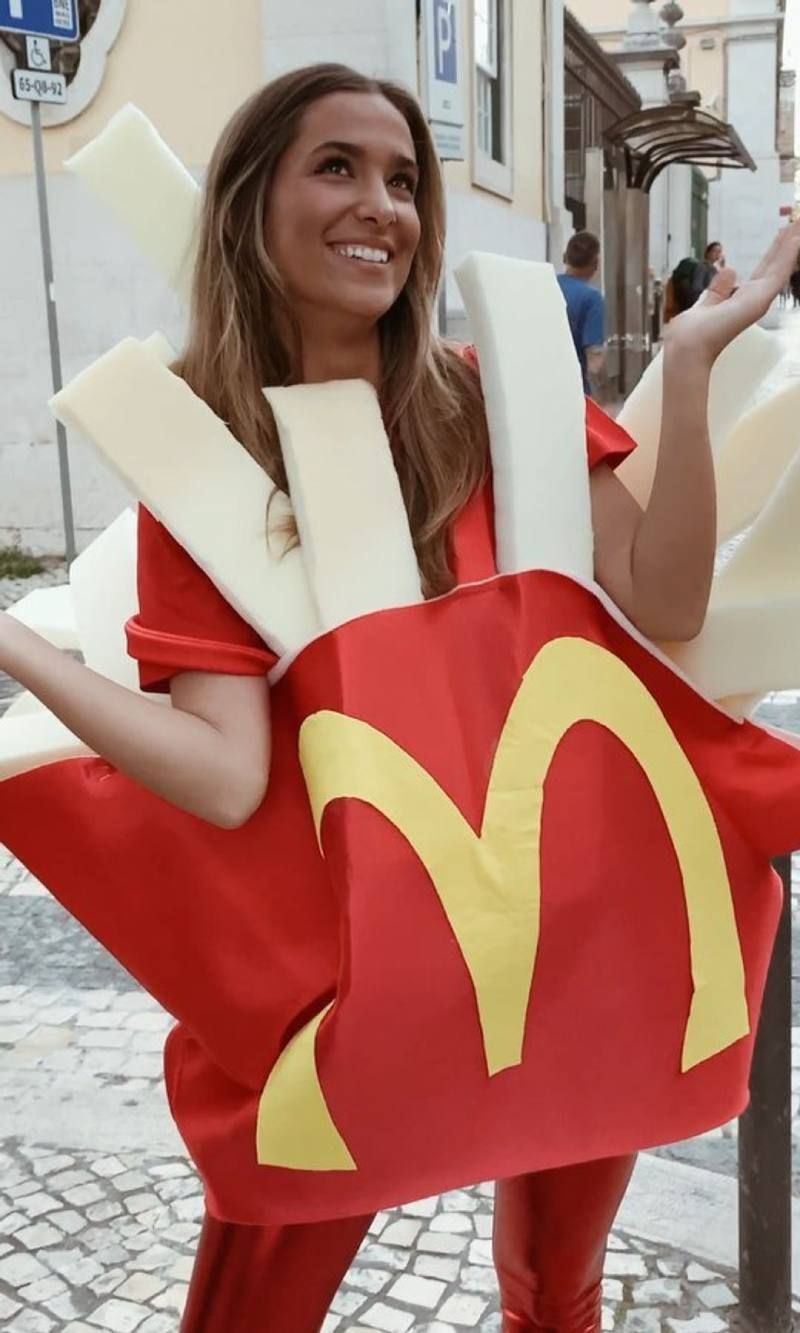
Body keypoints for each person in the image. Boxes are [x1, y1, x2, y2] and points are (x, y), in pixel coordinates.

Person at [0, 63, 799, 1333]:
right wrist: (16, 649)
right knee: (258, 1289)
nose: (382, 204)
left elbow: (664, 600)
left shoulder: (495, 399)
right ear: (250, 206)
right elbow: (226, 773)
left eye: (404, 178)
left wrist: (694, 363)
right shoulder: (206, 456)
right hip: (358, 973)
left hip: (581, 928)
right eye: (336, 167)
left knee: (558, 1290)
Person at [556, 230, 607, 398]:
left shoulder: (544, 284)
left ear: (565, 257)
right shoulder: (591, 298)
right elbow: (595, 360)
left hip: (540, 384)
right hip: (574, 391)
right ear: (595, 263)